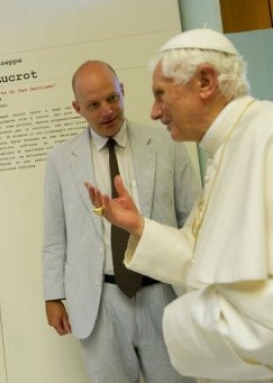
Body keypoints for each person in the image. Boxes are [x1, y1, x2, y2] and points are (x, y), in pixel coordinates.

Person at [85, 29, 273, 383]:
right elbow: (200, 257)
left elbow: (263, 318)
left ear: (204, 81)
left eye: (161, 95)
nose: (154, 112)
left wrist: (168, 328)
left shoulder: (264, 138)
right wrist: (140, 227)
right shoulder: (230, 146)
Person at [43, 60, 200, 383]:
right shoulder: (61, 160)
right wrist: (52, 295)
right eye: (94, 104)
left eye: (112, 98)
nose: (107, 111)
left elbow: (194, 219)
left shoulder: (166, 143)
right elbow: (55, 235)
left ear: (123, 91)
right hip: (101, 299)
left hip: (162, 292)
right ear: (77, 108)